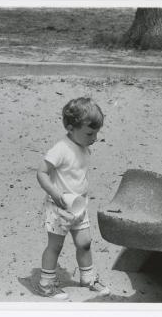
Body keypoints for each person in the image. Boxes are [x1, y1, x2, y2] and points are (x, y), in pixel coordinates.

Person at [35, 97, 110, 299]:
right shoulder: (61, 149)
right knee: (55, 246)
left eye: (96, 133)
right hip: (59, 207)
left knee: (84, 242)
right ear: (70, 127)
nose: (94, 137)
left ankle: (88, 277)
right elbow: (42, 172)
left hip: (78, 205)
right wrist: (54, 192)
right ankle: (46, 284)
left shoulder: (83, 146)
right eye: (89, 133)